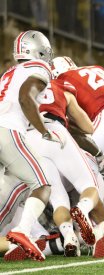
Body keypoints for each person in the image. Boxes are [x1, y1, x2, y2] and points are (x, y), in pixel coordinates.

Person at [0, 30, 62, 261]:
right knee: (42, 184)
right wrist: (44, 131)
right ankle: (22, 232)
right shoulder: (39, 67)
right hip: (7, 130)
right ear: (39, 49)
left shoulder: (10, 71)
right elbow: (26, 97)